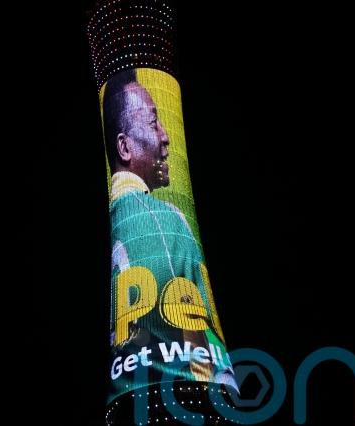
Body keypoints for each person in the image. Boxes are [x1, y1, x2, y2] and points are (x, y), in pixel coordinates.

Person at [102, 69, 237, 396]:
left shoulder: (123, 216)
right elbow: (196, 341)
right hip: (184, 395)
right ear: (124, 147)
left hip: (129, 393)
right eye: (153, 123)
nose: (166, 137)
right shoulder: (166, 219)